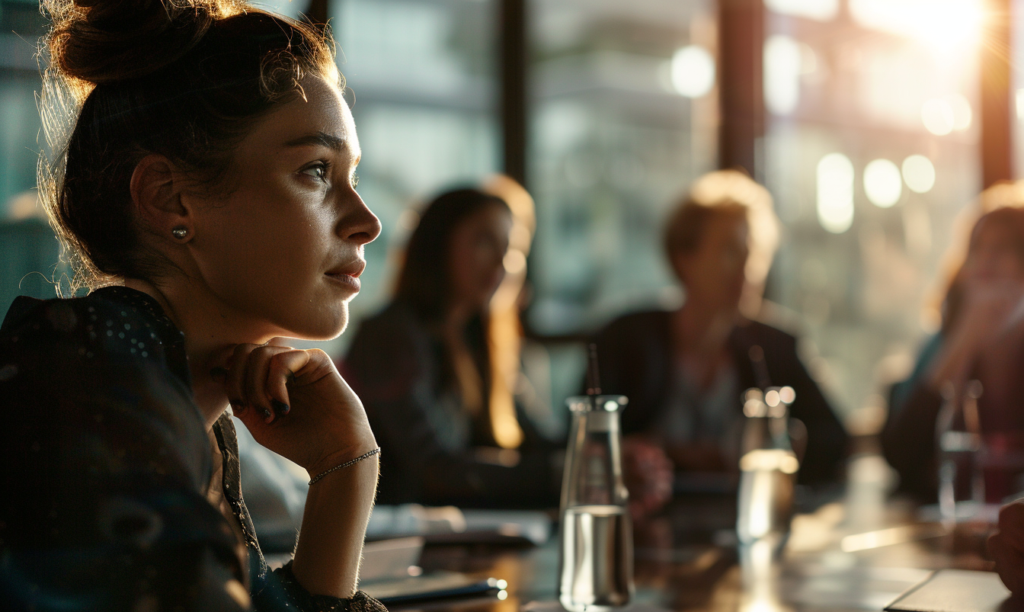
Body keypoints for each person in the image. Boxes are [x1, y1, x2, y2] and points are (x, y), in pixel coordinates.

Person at [0, 2, 507, 612]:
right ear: (169, 199)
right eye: (316, 172)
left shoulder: (184, 400)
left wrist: (345, 469)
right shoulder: (87, 382)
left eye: (352, 177)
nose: (367, 221)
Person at [592, 170, 848, 491]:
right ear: (684, 258)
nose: (747, 269)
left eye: (754, 253)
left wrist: (773, 448)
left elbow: (834, 442)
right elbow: (585, 445)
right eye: (730, 251)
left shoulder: (775, 345)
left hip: (748, 514)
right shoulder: (625, 340)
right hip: (645, 516)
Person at [342, 187, 559, 508]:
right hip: (405, 530)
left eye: (510, 248)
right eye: (484, 241)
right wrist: (560, 473)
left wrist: (602, 449)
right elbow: (430, 470)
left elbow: (535, 438)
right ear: (437, 244)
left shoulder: (477, 337)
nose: (502, 262)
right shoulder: (391, 335)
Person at [882, 183, 1024, 501]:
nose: (986, 260)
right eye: (977, 248)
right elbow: (900, 453)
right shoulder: (943, 341)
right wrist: (965, 337)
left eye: (1003, 248)